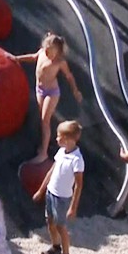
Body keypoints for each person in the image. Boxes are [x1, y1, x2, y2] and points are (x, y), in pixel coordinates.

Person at [13, 32, 83, 163]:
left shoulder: (60, 62)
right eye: (46, 49)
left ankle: (44, 153)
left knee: (45, 120)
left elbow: (69, 76)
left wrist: (75, 91)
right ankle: (43, 143)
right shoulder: (42, 52)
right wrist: (17, 58)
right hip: (40, 89)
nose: (47, 53)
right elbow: (33, 57)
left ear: (57, 52)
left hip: (52, 92)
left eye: (50, 51)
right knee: (42, 117)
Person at [33, 120, 84, 254]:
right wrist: (41, 190)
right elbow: (51, 171)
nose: (56, 139)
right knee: (50, 221)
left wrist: (73, 207)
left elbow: (79, 184)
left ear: (69, 139)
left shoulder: (77, 160)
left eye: (59, 136)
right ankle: (55, 246)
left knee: (61, 226)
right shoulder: (61, 152)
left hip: (62, 198)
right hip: (51, 192)